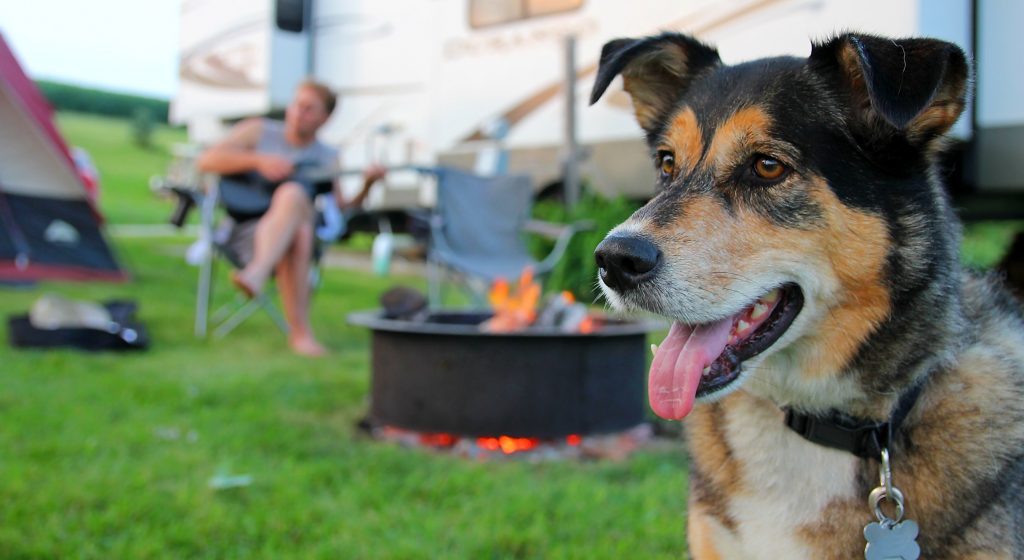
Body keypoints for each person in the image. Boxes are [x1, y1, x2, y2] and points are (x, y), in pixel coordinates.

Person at [196, 80, 385, 356]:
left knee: (295, 201)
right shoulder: (258, 131)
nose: (299, 113)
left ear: (325, 117)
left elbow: (341, 210)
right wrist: (258, 161)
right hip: (245, 229)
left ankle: (257, 274)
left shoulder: (327, 158)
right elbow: (206, 160)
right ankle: (300, 335)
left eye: (309, 109)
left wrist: (368, 185)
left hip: (295, 235)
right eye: (297, 104)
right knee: (299, 223)